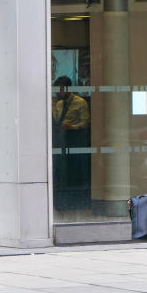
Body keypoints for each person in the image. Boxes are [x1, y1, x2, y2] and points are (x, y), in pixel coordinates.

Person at [52, 76, 91, 210]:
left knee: (75, 164)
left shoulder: (80, 102)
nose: (57, 92)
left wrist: (72, 127)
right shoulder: (58, 104)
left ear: (68, 89)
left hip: (75, 137)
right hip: (60, 137)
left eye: (60, 89)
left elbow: (85, 122)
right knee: (60, 164)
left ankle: (77, 191)